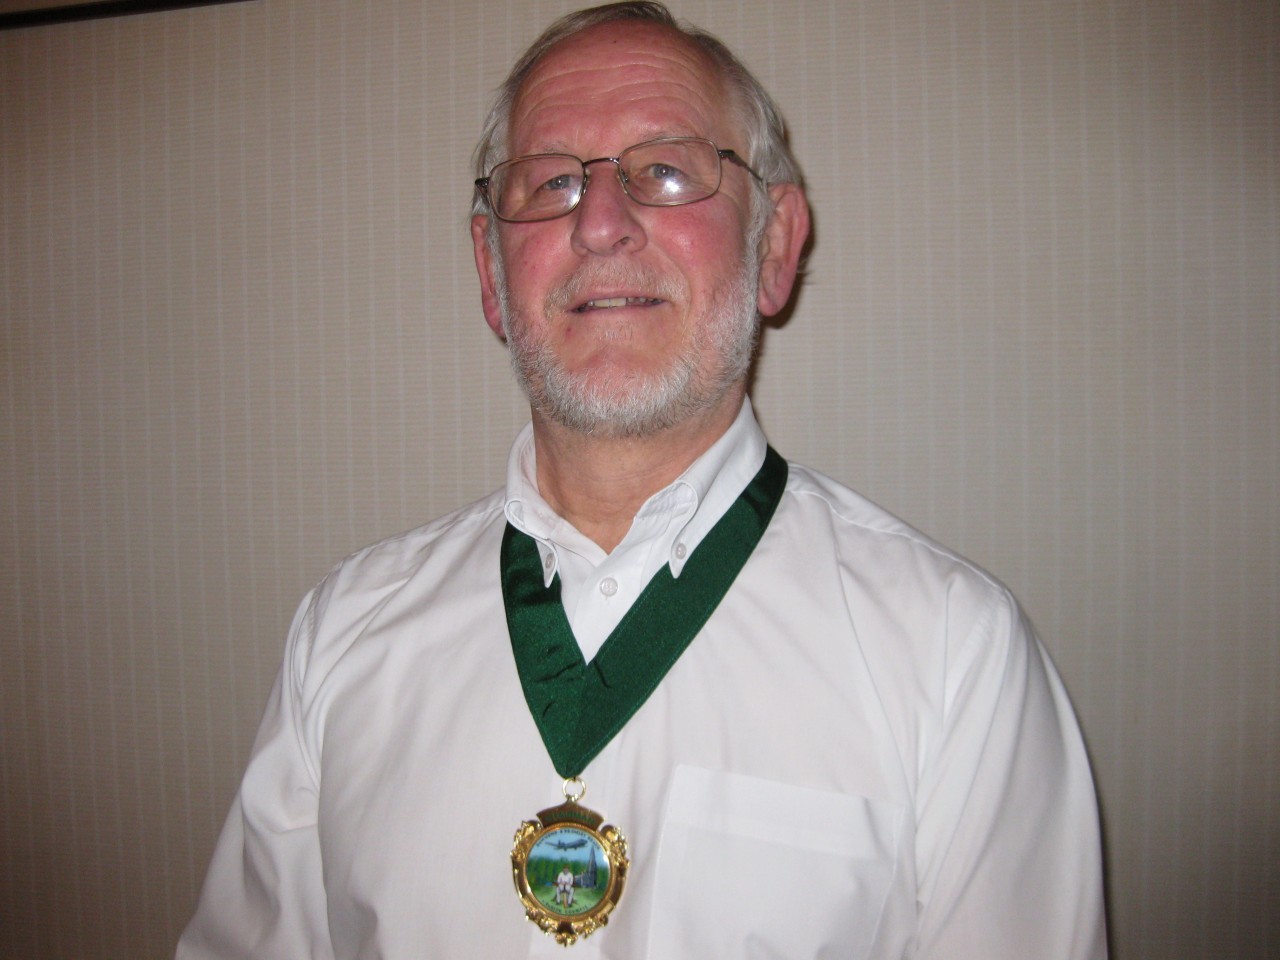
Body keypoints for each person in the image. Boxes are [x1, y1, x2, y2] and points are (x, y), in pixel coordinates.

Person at [177, 3, 1107, 958]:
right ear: (492, 273)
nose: (601, 224)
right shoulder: (343, 636)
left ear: (775, 245)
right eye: (549, 183)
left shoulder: (953, 657)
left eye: (665, 171)